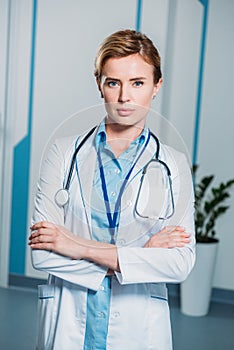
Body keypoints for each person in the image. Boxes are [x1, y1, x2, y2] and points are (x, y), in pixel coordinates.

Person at [29, 29, 195, 350]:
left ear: (156, 86)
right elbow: (42, 254)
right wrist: (141, 256)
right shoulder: (63, 153)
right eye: (113, 82)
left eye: (138, 83)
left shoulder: (173, 164)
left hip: (137, 328)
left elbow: (179, 263)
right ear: (99, 85)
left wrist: (78, 246)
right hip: (70, 322)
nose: (124, 97)